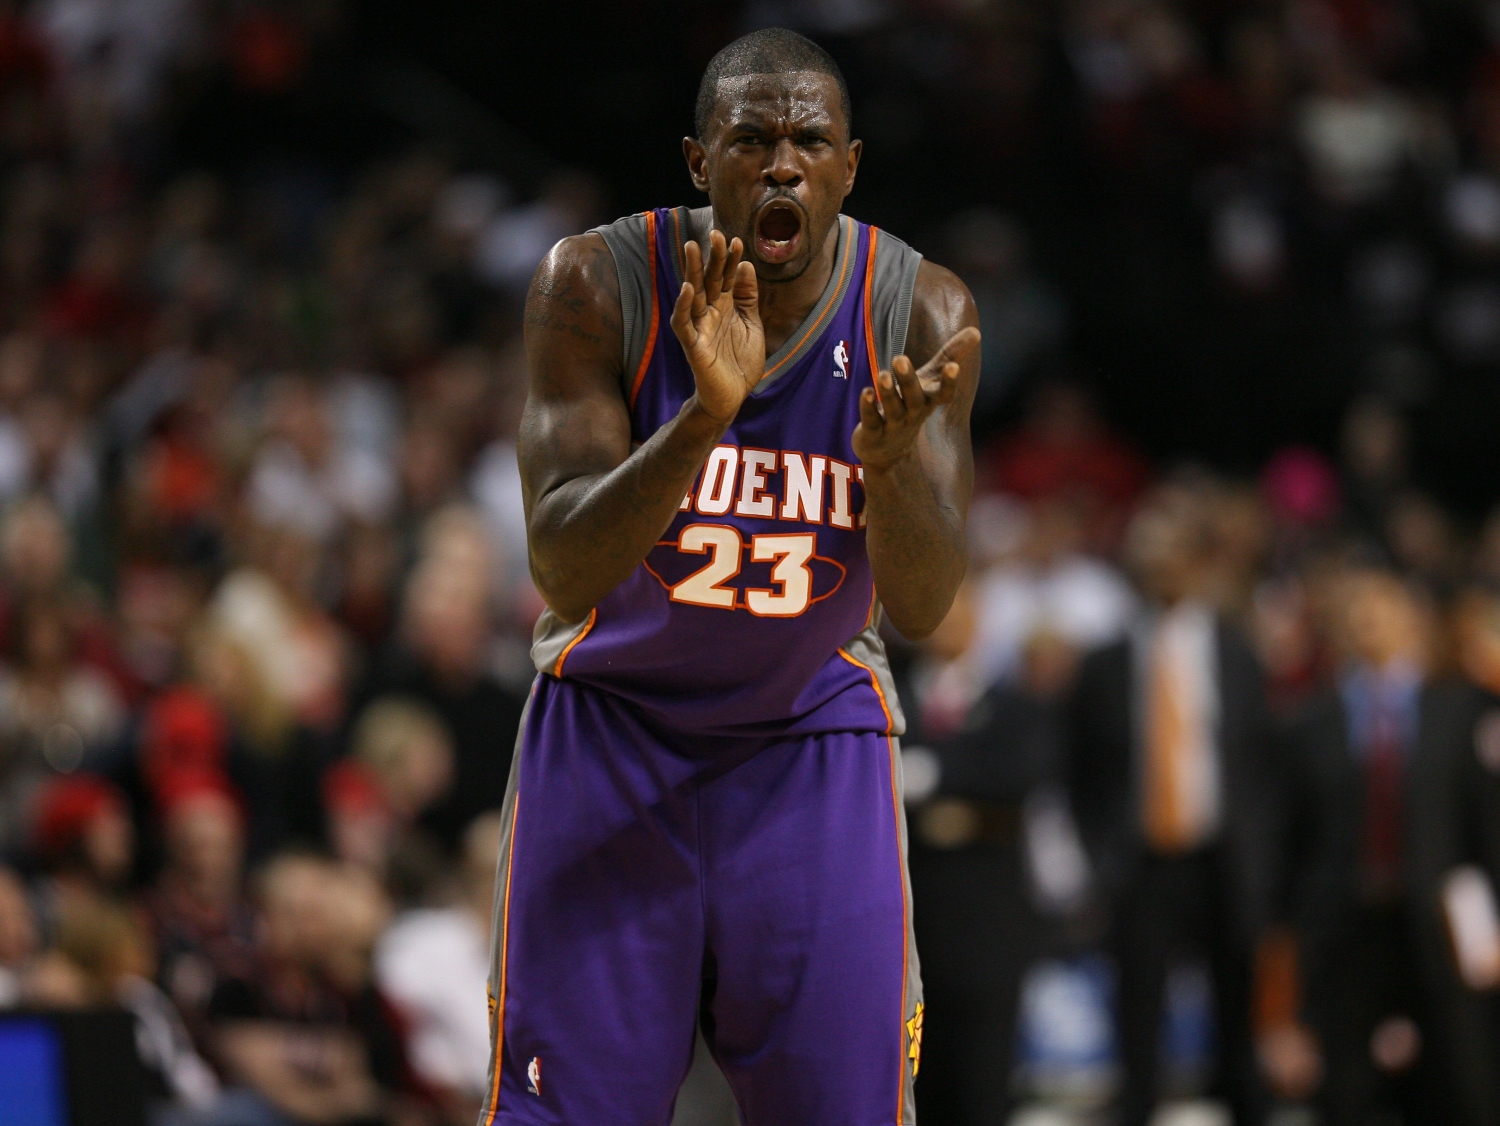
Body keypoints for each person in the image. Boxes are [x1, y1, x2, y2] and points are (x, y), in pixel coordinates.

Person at [484, 27, 980, 1124]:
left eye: (810, 139)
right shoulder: (595, 285)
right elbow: (563, 565)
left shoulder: (920, 310)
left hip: (811, 748)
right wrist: (702, 418)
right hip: (612, 737)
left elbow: (929, 606)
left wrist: (890, 476)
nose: (783, 162)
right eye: (751, 138)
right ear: (700, 162)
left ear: (850, 165)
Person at [1065, 483, 1279, 1126]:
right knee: (1137, 1030)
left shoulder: (1239, 651)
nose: (1159, 564)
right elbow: (1080, 770)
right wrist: (1098, 856)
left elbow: (1265, 766)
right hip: (1139, 864)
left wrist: (1264, 859)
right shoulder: (1104, 661)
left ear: (1198, 562)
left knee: (1239, 1031)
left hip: (1225, 860)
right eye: (1148, 552)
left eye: (1171, 552)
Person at [1290, 567, 1499, 1125]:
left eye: (1381, 608)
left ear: (1412, 619)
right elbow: (1297, 832)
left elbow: (1485, 827)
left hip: (1438, 923)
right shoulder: (1313, 721)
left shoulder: (1457, 712)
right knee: (1347, 1091)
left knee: (1463, 1080)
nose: (1369, 621)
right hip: (1347, 923)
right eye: (1357, 611)